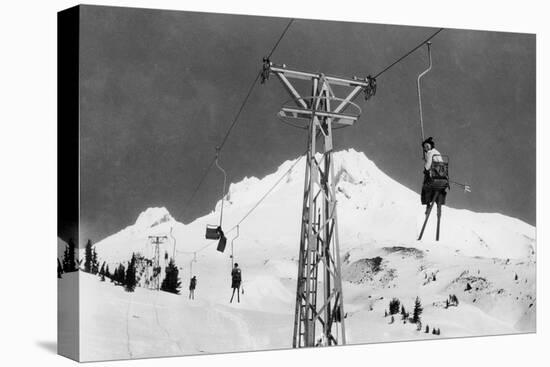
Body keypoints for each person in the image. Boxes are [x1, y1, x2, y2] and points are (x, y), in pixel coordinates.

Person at [420, 137, 447, 213]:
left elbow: (428, 163)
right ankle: (439, 203)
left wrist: (425, 169)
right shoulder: (437, 152)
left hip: (435, 175)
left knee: (425, 186)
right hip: (442, 176)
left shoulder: (430, 153)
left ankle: (428, 204)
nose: (426, 148)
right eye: (425, 147)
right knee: (439, 189)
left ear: (431, 145)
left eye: (427, 146)